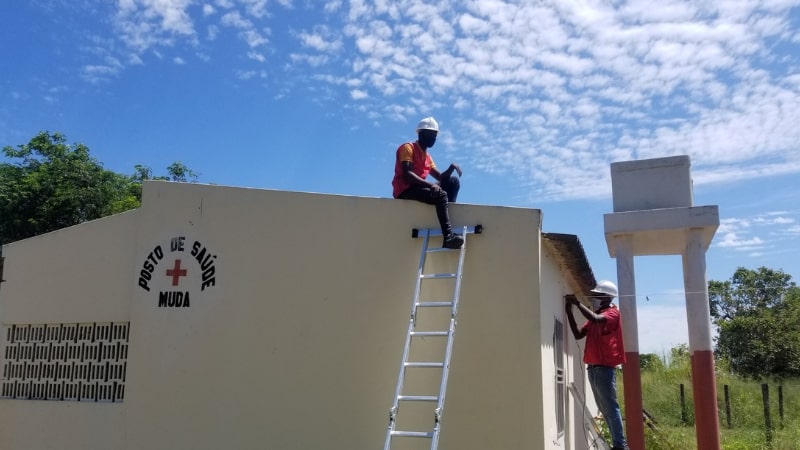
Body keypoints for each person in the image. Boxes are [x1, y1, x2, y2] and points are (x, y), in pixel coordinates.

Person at [565, 280, 628, 450]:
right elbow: (578, 334)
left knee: (609, 405)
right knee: (603, 406)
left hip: (604, 367)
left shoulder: (612, 313)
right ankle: (618, 441)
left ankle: (620, 444)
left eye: (597, 295)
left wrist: (577, 303)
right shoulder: (595, 316)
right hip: (593, 367)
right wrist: (569, 311)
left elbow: (595, 318)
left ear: (607, 298)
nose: (594, 298)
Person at [392, 117, 464, 249]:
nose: (433, 138)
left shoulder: (427, 157)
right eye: (431, 135)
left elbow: (441, 178)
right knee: (441, 194)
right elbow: (408, 174)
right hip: (405, 190)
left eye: (435, 135)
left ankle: (447, 213)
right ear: (421, 134)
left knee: (453, 181)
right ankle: (448, 237)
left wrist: (450, 168)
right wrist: (431, 185)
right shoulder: (408, 148)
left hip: (418, 188)